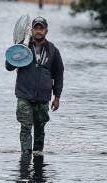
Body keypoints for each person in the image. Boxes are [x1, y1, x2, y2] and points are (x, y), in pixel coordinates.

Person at [5, 16, 64, 157]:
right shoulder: (22, 46)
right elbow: (9, 66)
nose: (38, 31)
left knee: (40, 128)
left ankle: (38, 156)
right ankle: (25, 156)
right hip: (24, 94)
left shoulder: (53, 50)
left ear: (46, 31)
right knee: (25, 127)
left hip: (43, 97)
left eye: (41, 28)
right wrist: (18, 51)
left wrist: (57, 97)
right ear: (31, 30)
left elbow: (59, 73)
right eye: (36, 28)